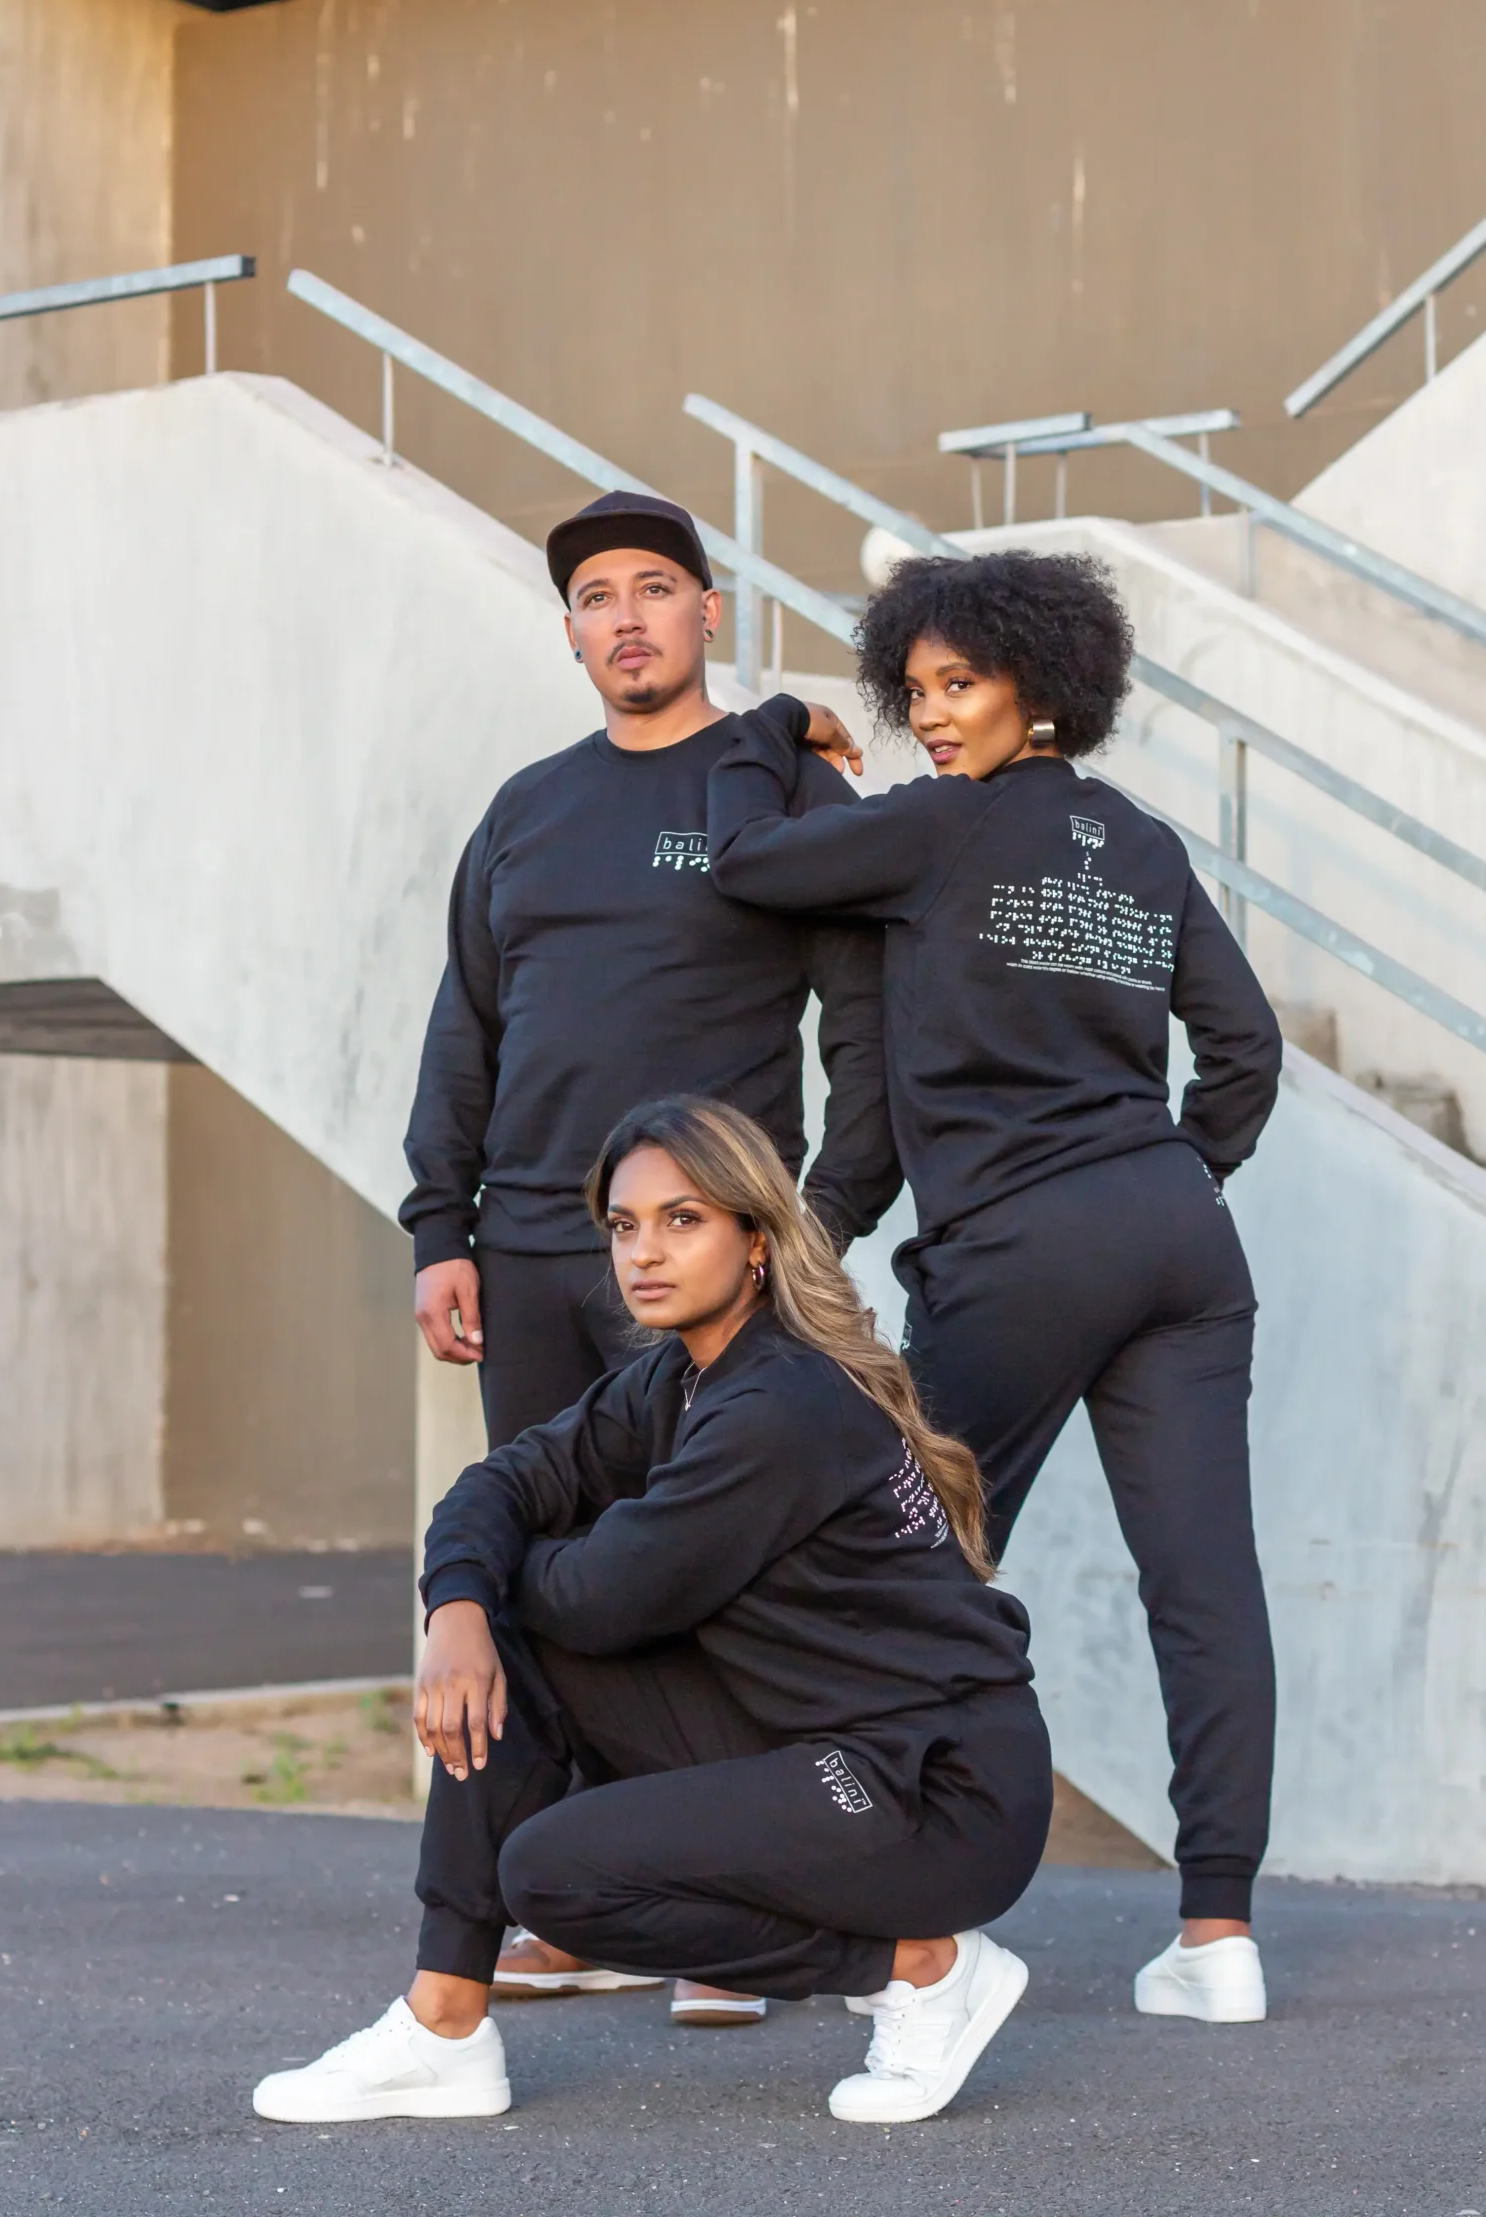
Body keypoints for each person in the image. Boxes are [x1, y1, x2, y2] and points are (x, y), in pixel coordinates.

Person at [705, 548, 1283, 2028]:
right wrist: (1176, 1174)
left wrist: (769, 736)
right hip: (1174, 1242)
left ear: (1041, 683)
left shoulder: (934, 834)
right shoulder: (1143, 845)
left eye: (956, 684)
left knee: (911, 1578)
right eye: (913, 693)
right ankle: (1215, 1936)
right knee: (1202, 1589)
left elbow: (745, 862)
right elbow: (1244, 1053)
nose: (930, 717)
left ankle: (895, 1927)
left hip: (1020, 1251)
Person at [255, 1097, 1052, 2130]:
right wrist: (457, 1604)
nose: (644, 1252)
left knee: (553, 1874)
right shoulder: (677, 1378)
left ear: (755, 1239)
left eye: (683, 1220)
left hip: (936, 1791)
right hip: (814, 1731)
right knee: (509, 1635)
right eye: (626, 1225)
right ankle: (442, 2026)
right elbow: (502, 1481)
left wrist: (496, 1589)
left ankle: (923, 1967)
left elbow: (605, 1600)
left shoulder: (782, 1407)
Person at [400, 488, 901, 2020]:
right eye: (596, 597)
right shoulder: (524, 810)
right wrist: (442, 1228)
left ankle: (732, 1905)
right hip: (530, 1249)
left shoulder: (778, 796)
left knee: (715, 1579)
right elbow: (466, 1029)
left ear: (707, 617)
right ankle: (585, 1891)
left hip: (700, 1267)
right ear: (569, 633)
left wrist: (818, 1221)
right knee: (554, 1579)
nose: (625, 617)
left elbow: (860, 1029)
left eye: (655, 589)